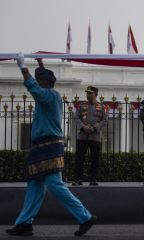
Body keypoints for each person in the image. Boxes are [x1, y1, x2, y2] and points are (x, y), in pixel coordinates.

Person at [6, 53, 96, 237]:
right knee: (34, 184)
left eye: (39, 80)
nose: (37, 82)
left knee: (55, 184)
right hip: (42, 145)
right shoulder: (48, 94)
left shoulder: (50, 95)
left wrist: (23, 67)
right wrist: (40, 63)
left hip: (49, 145)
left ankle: (85, 217)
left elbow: (34, 88)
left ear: (45, 83)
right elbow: (39, 83)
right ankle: (24, 223)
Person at [73, 86, 107, 186]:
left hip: (95, 136)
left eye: (90, 93)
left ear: (95, 94)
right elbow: (76, 118)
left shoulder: (102, 107)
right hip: (82, 136)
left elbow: (105, 120)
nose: (88, 95)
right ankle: (78, 178)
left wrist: (95, 127)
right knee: (79, 158)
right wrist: (83, 127)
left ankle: (93, 178)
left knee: (95, 159)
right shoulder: (81, 105)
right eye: (87, 93)